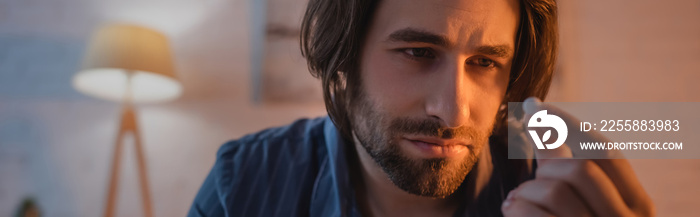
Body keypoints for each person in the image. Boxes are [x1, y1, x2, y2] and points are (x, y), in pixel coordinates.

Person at [188, 0, 655, 216]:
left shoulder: (554, 191)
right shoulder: (246, 182)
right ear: (345, 57)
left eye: (485, 62)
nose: (452, 113)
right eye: (418, 52)